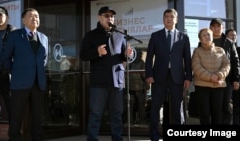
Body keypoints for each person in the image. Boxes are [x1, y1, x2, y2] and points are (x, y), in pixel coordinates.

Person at [80, 6, 133, 141]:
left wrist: (127, 55)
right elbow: (83, 55)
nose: (110, 18)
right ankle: (92, 139)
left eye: (112, 16)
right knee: (96, 113)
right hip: (99, 82)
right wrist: (97, 52)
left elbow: (123, 58)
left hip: (117, 81)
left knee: (117, 114)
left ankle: (117, 138)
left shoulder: (120, 34)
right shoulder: (91, 35)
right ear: (99, 17)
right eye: (106, 15)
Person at [145, 8, 192, 141]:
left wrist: (188, 77)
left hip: (177, 77)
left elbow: (187, 59)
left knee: (178, 108)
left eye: (172, 17)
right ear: (163, 19)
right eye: (166, 16)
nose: (169, 19)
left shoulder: (184, 37)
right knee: (155, 107)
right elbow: (149, 58)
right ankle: (154, 136)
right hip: (158, 77)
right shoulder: (156, 36)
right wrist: (149, 74)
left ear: (176, 20)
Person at [1, 8, 48, 141]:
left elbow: (43, 59)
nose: (35, 18)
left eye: (37, 16)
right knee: (16, 116)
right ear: (23, 20)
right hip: (20, 83)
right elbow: (5, 57)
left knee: (37, 117)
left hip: (38, 83)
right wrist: (15, 72)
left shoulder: (44, 38)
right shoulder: (15, 35)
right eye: (31, 16)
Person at [192, 28, 230, 124]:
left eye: (208, 34)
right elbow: (196, 67)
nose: (207, 37)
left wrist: (219, 75)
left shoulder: (220, 50)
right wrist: (210, 77)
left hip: (218, 85)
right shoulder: (197, 51)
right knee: (204, 114)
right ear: (200, 39)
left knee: (217, 114)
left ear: (212, 37)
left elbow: (227, 65)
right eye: (204, 35)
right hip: (202, 86)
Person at [0, 6, 15, 140]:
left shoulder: (14, 33)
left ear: (7, 17)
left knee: (12, 110)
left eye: (0, 15)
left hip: (7, 76)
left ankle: (13, 137)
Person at [209, 18, 240, 125]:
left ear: (222, 27)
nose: (216, 28)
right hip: (210, 79)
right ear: (210, 28)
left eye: (219, 26)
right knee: (213, 108)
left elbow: (235, 61)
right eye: (214, 26)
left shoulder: (229, 43)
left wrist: (236, 79)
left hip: (227, 80)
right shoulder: (205, 41)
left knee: (225, 107)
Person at [128, 49, 150, 127]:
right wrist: (147, 86)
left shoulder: (129, 63)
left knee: (131, 106)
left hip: (130, 88)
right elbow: (144, 75)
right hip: (140, 87)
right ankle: (142, 122)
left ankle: (130, 122)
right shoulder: (141, 63)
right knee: (141, 106)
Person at [226, 28, 240, 125]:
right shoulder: (224, 49)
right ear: (226, 37)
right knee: (225, 105)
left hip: (237, 81)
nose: (234, 37)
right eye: (231, 35)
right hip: (226, 81)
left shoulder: (239, 49)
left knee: (237, 106)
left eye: (235, 35)